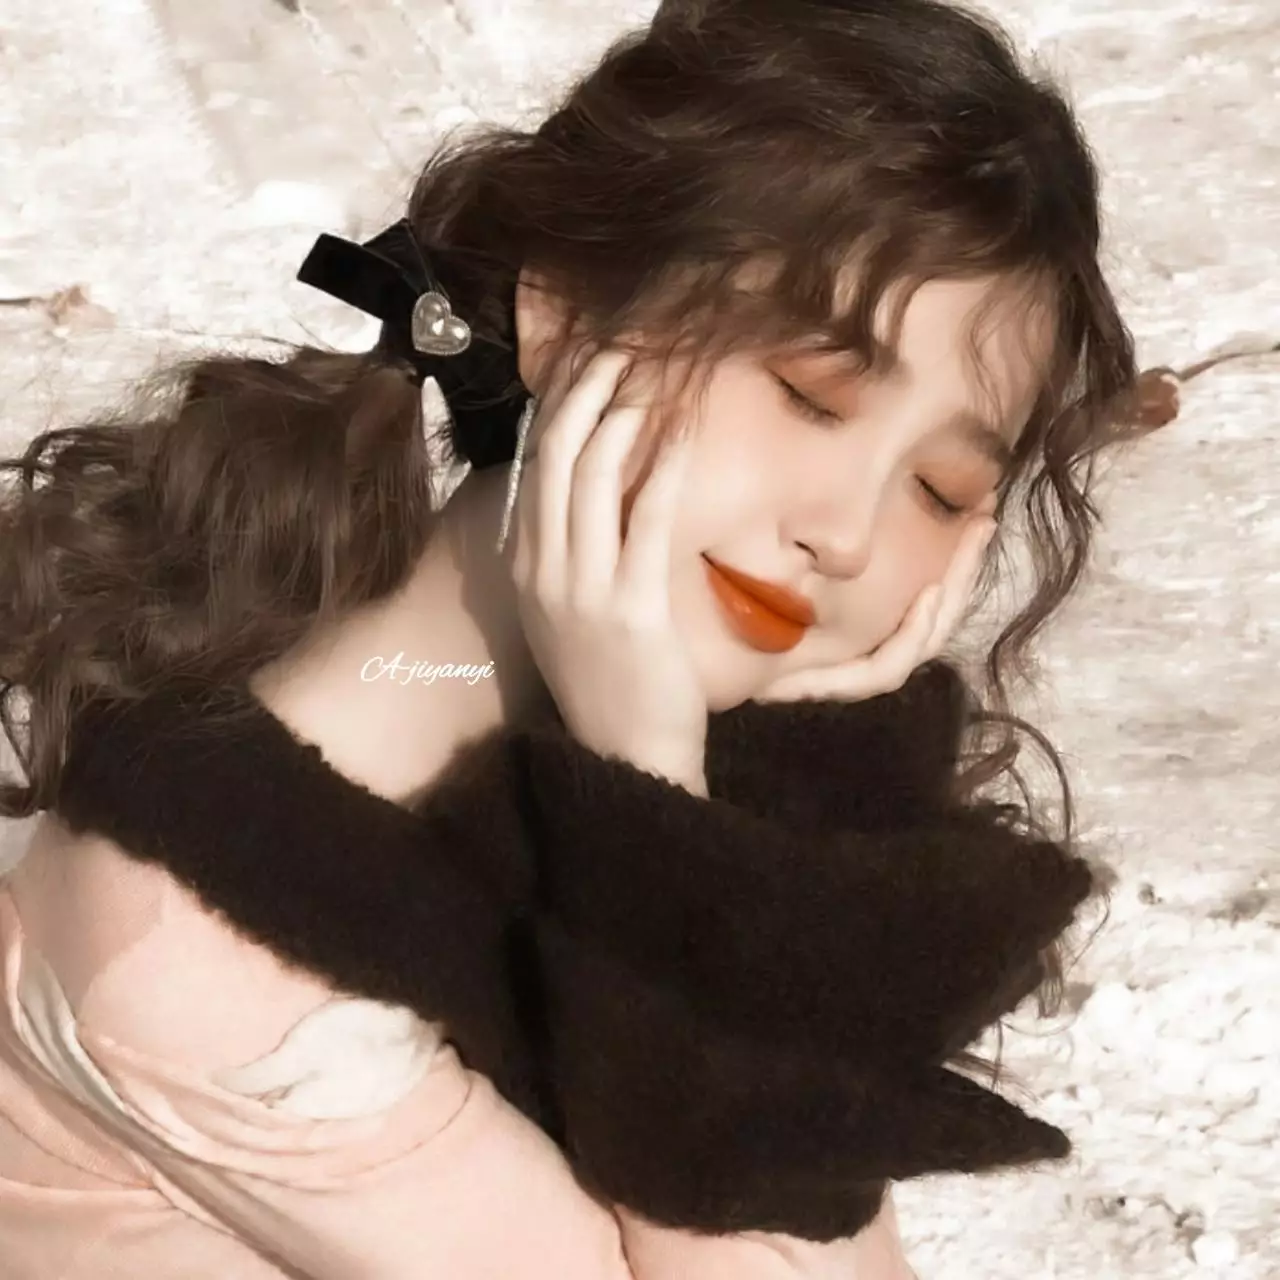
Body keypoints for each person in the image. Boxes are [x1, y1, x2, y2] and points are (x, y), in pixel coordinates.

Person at [0, 0, 1137, 1275]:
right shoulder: (222, 967)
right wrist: (655, 810)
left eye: (937, 487)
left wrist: (758, 767)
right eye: (807, 395)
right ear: (564, 320)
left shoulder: (594, 713)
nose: (847, 533)